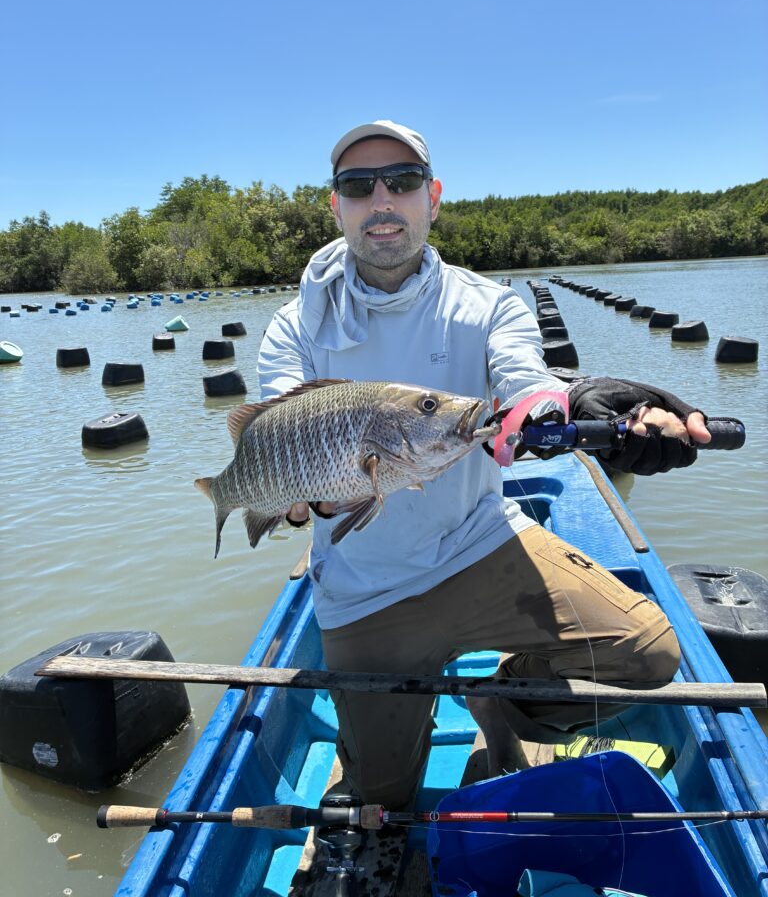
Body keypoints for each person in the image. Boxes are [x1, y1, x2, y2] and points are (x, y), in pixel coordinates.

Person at [257, 120, 711, 809]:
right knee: (385, 796)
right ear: (337, 207)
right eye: (358, 185)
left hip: (481, 544)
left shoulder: (488, 304)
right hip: (365, 587)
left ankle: (503, 703)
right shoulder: (294, 327)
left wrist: (580, 405)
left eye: (402, 182)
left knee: (649, 652)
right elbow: (281, 436)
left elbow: (526, 383)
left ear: (432, 198)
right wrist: (307, 497)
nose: (382, 199)